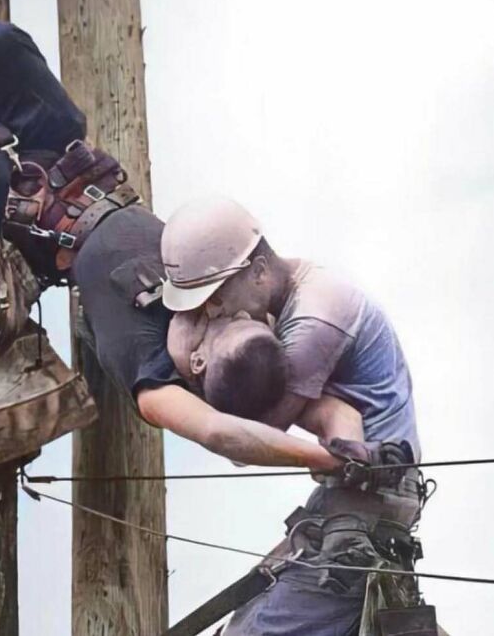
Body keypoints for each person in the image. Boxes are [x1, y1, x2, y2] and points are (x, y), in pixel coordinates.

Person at [0, 18, 345, 474]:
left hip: (28, 215)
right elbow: (325, 407)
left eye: (225, 329)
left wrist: (318, 460)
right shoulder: (236, 327)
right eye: (243, 318)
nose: (225, 314)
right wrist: (351, 448)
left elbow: (221, 435)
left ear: (200, 362)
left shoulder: (152, 366)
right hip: (73, 162)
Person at [157, 196, 426, 636]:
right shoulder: (291, 293)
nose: (213, 312)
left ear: (259, 271)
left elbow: (247, 441)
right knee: (244, 620)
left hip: (367, 504)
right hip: (346, 497)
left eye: (217, 296)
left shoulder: (314, 322)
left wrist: (186, 357)